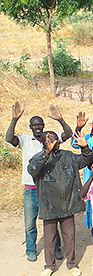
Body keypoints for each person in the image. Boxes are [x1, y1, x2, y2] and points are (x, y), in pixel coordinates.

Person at [5, 101, 71, 262]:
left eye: (40, 124)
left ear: (43, 125)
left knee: (51, 221)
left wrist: (61, 119)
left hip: (49, 188)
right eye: (34, 125)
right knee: (30, 222)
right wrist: (14, 119)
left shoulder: (50, 137)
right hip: (31, 189)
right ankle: (31, 250)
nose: (38, 127)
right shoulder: (25, 140)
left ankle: (56, 249)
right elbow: (8, 138)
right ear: (30, 127)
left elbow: (68, 134)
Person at [28, 131, 92, 276]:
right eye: (49, 140)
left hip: (68, 203)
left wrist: (85, 147)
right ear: (43, 142)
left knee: (69, 236)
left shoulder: (68, 155)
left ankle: (71, 263)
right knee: (50, 238)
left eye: (55, 138)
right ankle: (49, 266)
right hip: (49, 204)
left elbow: (85, 160)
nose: (54, 141)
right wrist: (46, 153)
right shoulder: (38, 158)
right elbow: (32, 170)